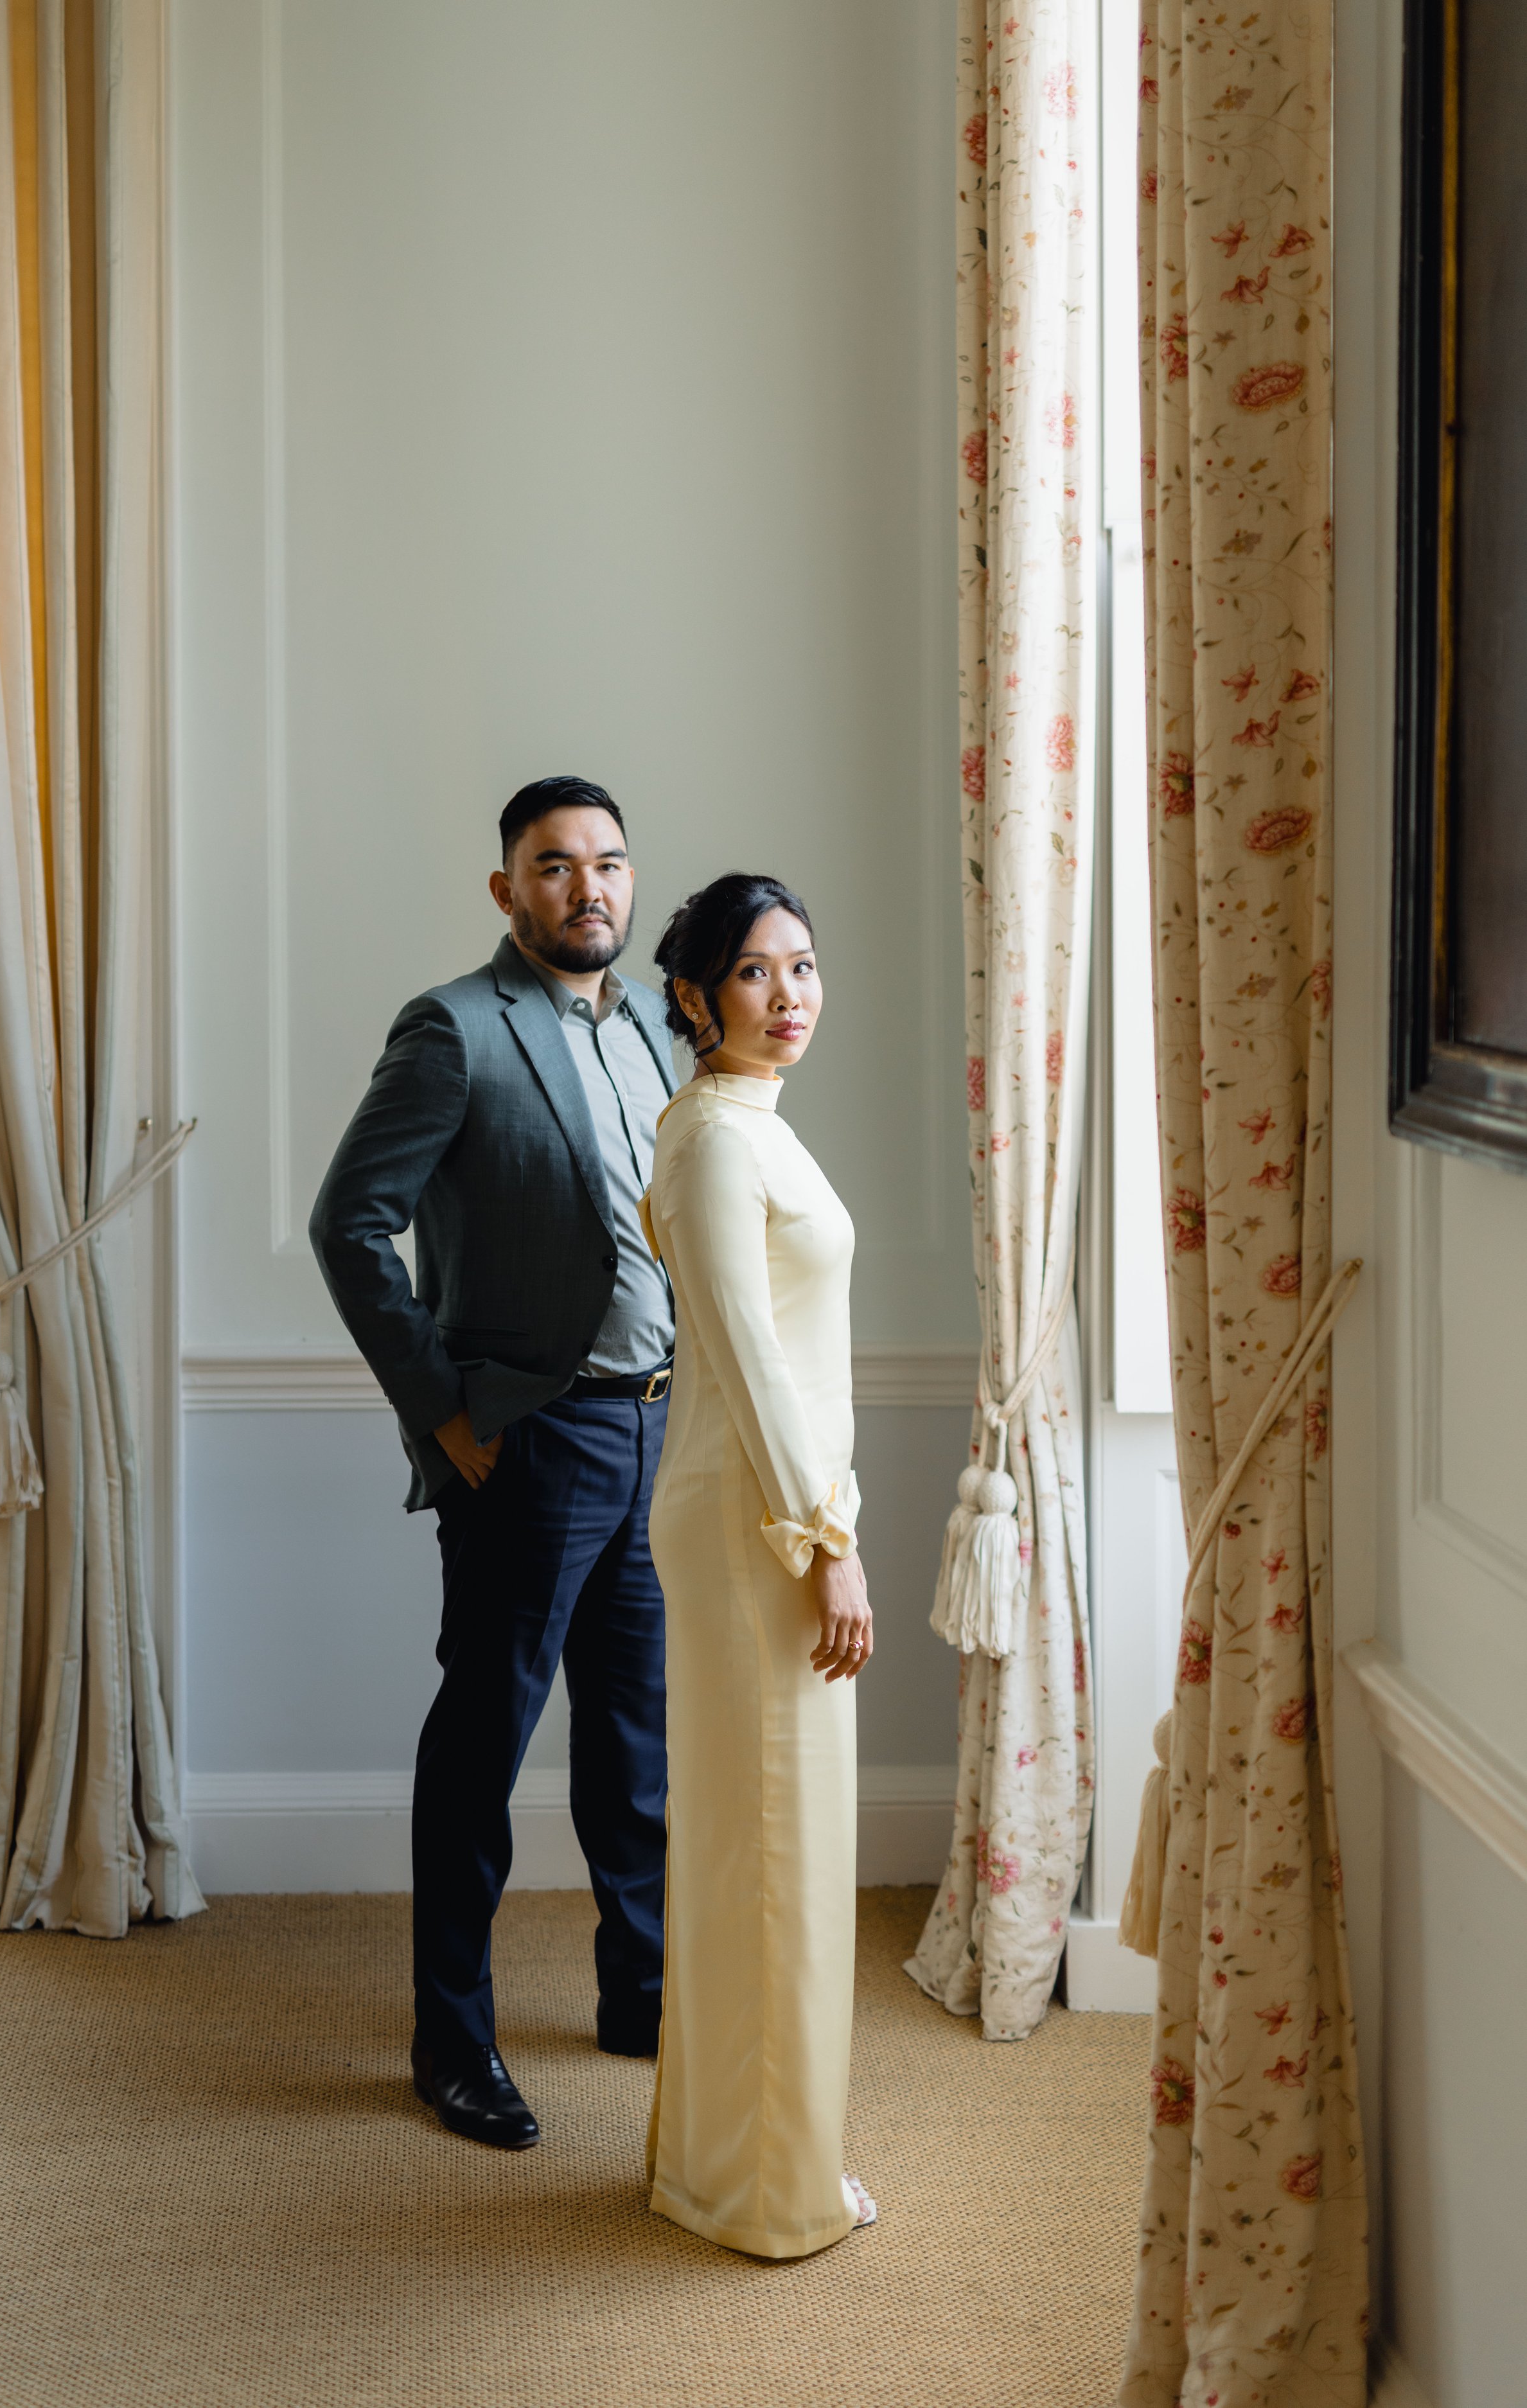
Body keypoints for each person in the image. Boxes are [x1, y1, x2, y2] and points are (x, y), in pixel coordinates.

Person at [309, 775, 676, 2152]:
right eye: (554, 864)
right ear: (506, 887)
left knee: (633, 1748)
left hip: (657, 1431)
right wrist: (442, 1409)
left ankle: (640, 1995)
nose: (588, 886)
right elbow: (350, 1223)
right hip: (531, 1439)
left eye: (608, 863)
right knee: (483, 1748)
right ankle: (451, 2043)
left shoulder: (657, 1025)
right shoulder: (455, 1029)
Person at [640, 873, 877, 2257]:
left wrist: (824, 1520)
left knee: (765, 1845)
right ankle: (766, 2189)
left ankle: (725, 2160)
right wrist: (825, 1542)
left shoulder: (746, 1129)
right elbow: (743, 1354)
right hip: (755, 1526)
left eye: (801, 965)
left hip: (775, 1513)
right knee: (772, 1850)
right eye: (752, 972)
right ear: (693, 997)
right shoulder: (714, 1143)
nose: (788, 996)